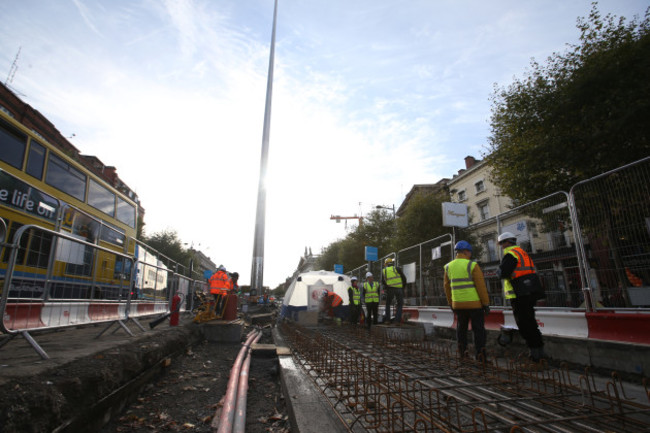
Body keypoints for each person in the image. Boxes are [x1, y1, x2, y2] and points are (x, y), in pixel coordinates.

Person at [497, 232, 547, 362]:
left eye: (502, 243)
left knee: (524, 324)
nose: (501, 246)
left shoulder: (510, 254)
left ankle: (535, 357)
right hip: (529, 291)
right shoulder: (522, 252)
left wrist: (499, 270)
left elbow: (503, 273)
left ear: (507, 242)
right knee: (531, 322)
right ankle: (539, 353)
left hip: (518, 294)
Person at [444, 240, 490, 359]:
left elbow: (447, 288)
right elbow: (481, 286)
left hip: (458, 305)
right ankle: (480, 355)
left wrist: (451, 303)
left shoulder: (448, 267)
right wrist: (485, 303)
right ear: (465, 251)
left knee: (461, 329)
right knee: (478, 330)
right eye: (470, 252)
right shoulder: (472, 265)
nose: (470, 254)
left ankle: (462, 353)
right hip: (474, 304)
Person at [382, 257, 406, 324]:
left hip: (390, 289)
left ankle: (387, 320)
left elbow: (383, 281)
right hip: (399, 289)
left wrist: (387, 286)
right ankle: (397, 321)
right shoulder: (397, 268)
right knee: (400, 304)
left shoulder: (384, 270)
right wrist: (402, 287)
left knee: (388, 304)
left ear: (386, 264)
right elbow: (404, 278)